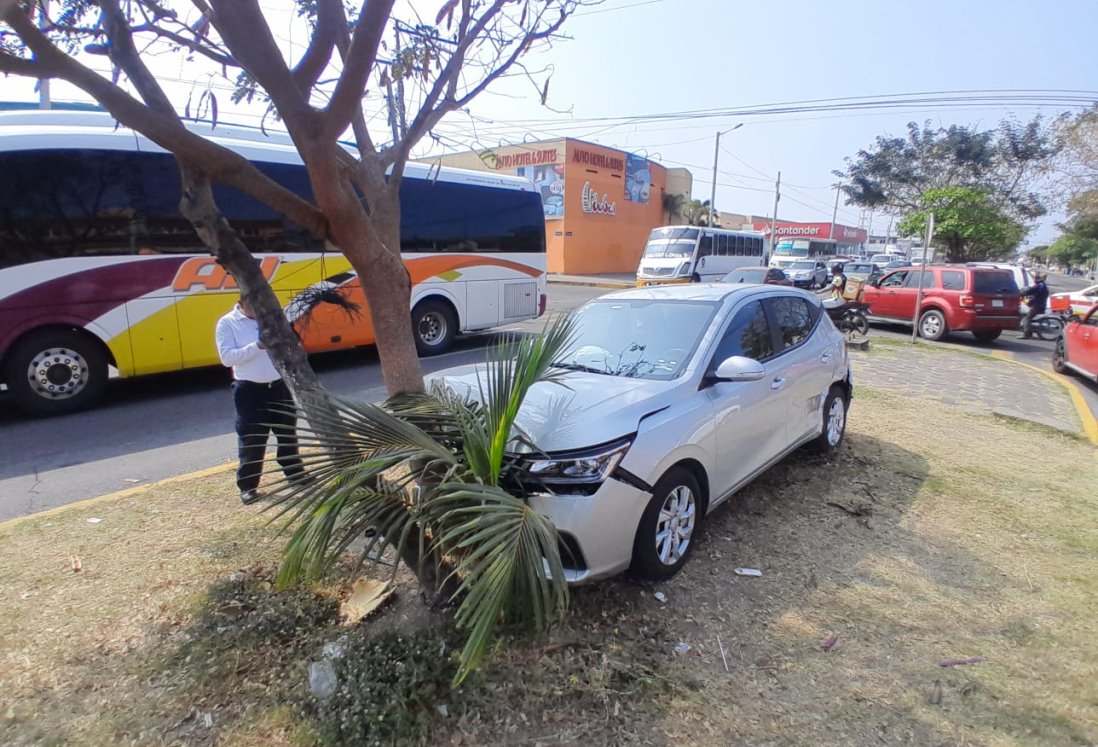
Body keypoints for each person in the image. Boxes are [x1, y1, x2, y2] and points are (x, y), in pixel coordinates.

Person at [215, 296, 305, 504]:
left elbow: (290, 344)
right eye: (253, 307)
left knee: (287, 433)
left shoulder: (270, 318)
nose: (258, 311)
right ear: (242, 303)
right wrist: (257, 346)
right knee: (252, 438)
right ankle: (248, 487)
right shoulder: (228, 323)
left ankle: (295, 474)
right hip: (249, 390)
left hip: (278, 385)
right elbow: (227, 358)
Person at [1019, 271, 1050, 339]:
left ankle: (1026, 334)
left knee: (1027, 318)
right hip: (1039, 304)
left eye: (1036, 278)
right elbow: (1031, 291)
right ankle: (1029, 330)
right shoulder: (1042, 285)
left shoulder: (1040, 286)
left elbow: (1031, 290)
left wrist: (1022, 293)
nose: (1034, 279)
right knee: (1027, 316)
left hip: (1037, 306)